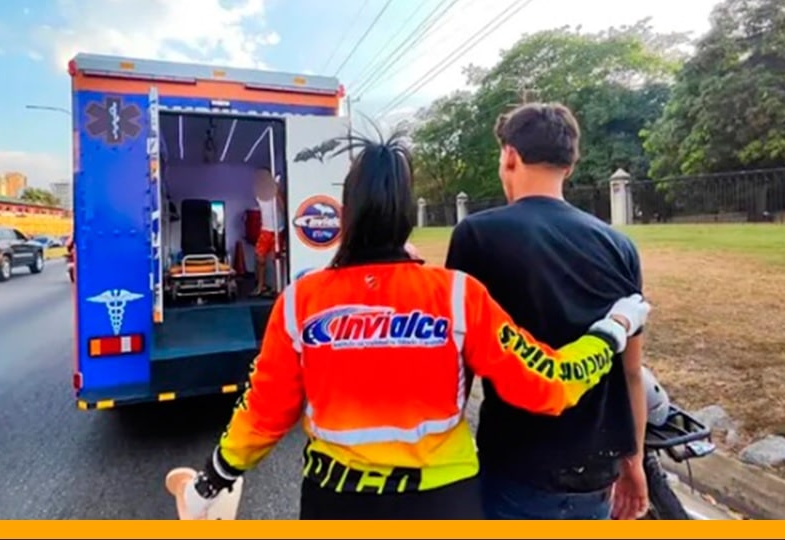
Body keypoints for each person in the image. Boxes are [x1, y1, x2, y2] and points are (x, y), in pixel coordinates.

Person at [166, 133, 651, 520]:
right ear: (406, 214)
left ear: (347, 213)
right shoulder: (457, 295)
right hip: (443, 505)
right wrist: (612, 328)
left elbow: (263, 414)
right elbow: (550, 384)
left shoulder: (300, 303)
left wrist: (210, 482)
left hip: (337, 504)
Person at [445, 103, 649, 520]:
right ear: (570, 166)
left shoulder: (478, 235)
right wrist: (634, 462)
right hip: (596, 473)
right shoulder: (620, 246)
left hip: (516, 467)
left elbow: (456, 366)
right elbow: (630, 371)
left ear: (510, 156)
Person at [251, 168, 285, 297]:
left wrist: (276, 192)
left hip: (278, 229)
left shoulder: (277, 192)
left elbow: (283, 207)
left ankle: (278, 287)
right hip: (265, 229)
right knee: (260, 258)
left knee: (276, 259)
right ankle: (261, 286)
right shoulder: (260, 194)